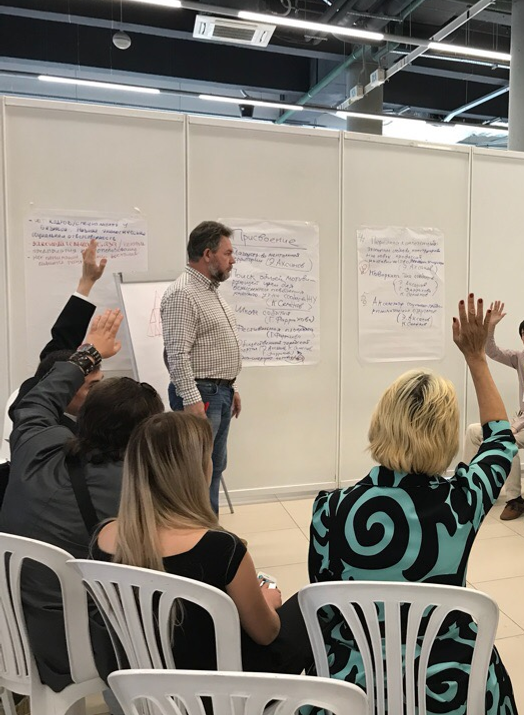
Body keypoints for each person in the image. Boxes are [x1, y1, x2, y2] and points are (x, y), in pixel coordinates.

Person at [308, 294, 518, 715]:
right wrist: (476, 357)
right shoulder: (464, 501)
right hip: (451, 691)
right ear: (446, 435)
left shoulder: (331, 508)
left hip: (356, 691)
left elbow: (326, 610)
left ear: (380, 422)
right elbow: (501, 441)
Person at [0, 310, 164, 692]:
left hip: (10, 629)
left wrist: (89, 354)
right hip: (71, 649)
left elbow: (34, 400)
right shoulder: (133, 489)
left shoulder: (35, 446)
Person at [91, 412, 311, 675]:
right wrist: (267, 602)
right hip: (221, 688)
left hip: (137, 682)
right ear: (195, 472)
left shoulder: (102, 538)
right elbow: (266, 634)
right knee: (309, 606)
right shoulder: (222, 548)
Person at [162, 221, 242, 514]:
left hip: (218, 392)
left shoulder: (209, 291)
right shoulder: (183, 293)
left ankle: (209, 527)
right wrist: (191, 399)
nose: (233, 260)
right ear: (208, 254)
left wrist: (231, 387)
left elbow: (212, 347)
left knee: (214, 466)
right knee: (197, 471)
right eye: (227, 253)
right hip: (201, 395)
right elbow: (176, 354)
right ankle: (197, 532)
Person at [2, 238, 105, 463]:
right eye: (92, 386)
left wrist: (86, 283)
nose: (99, 394)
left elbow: (58, 349)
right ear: (65, 388)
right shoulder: (46, 428)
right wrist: (90, 353)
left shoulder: (43, 396)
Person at [465, 301, 524, 521]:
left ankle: (515, 499)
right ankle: (469, 485)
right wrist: (491, 326)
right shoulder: (520, 357)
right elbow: (491, 351)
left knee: (508, 440)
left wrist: (515, 427)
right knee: (473, 431)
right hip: (521, 421)